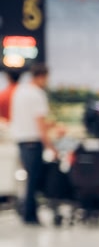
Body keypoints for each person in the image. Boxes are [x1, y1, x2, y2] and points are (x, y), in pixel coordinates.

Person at [9, 63, 58, 225]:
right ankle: (29, 215)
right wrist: (51, 146)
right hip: (33, 142)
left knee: (30, 178)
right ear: (42, 76)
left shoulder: (19, 92)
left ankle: (27, 212)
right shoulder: (37, 94)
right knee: (34, 180)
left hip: (21, 141)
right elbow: (40, 124)